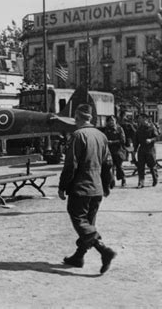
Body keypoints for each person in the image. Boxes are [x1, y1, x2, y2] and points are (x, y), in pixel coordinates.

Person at [58, 104, 116, 274]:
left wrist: (62, 187)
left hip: (81, 187)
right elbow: (108, 163)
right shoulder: (101, 135)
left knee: (79, 219)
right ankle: (78, 256)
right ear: (90, 117)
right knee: (89, 223)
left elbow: (71, 165)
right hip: (96, 188)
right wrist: (106, 185)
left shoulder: (78, 135)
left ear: (77, 117)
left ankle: (104, 250)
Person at [133, 113, 159, 188]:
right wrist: (134, 151)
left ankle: (155, 179)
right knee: (140, 167)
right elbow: (136, 141)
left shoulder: (152, 127)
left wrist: (151, 140)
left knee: (152, 165)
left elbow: (157, 137)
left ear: (145, 119)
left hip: (150, 149)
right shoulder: (139, 129)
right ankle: (141, 182)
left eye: (140, 118)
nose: (139, 120)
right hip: (141, 149)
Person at [104, 116, 127, 187]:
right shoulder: (106, 129)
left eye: (113, 120)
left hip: (118, 151)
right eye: (110, 121)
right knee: (110, 167)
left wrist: (112, 142)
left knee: (119, 167)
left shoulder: (119, 129)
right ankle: (112, 182)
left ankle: (123, 180)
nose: (111, 122)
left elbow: (123, 140)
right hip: (109, 151)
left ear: (115, 121)